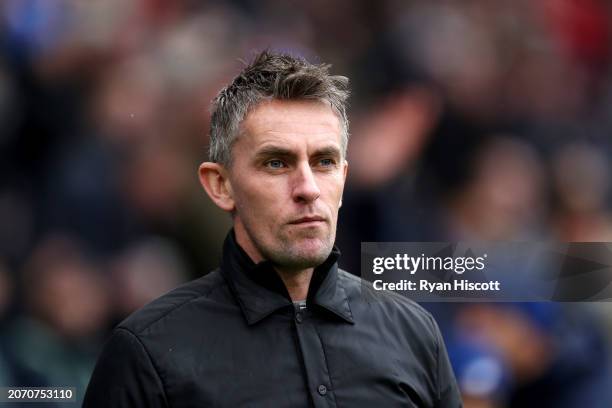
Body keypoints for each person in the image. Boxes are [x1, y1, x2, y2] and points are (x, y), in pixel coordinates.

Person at [83, 51, 462, 408]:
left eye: (325, 162)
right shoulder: (147, 352)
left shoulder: (415, 335)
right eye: (277, 163)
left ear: (343, 179)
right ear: (220, 185)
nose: (308, 188)